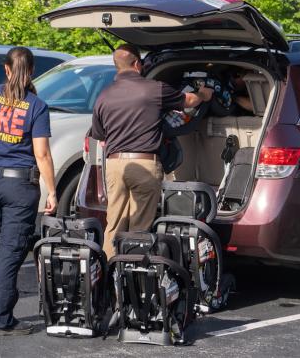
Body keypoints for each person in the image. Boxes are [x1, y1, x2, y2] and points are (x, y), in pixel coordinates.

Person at [0, 46, 57, 335]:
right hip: (20, 185)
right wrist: (51, 190)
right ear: (31, 71)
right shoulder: (35, 105)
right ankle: (0, 319)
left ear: (5, 69)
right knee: (10, 252)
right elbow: (42, 154)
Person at [91, 44, 214, 258]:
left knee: (114, 224)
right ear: (138, 64)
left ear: (116, 66)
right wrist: (203, 93)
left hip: (114, 165)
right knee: (139, 227)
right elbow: (189, 102)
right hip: (144, 165)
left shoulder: (103, 96)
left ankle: (108, 278)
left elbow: (99, 134)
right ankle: (134, 277)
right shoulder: (154, 88)